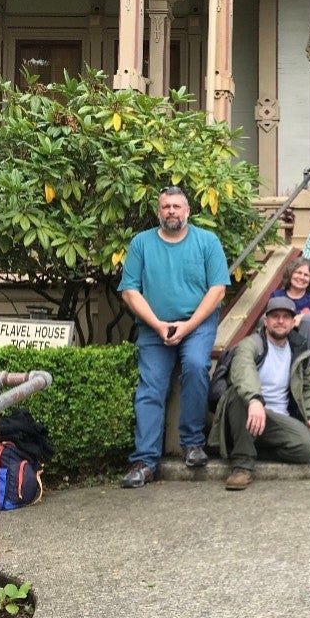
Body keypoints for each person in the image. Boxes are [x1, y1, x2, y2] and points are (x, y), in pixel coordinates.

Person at [118, 186, 230, 489]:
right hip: (154, 326)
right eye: (166, 207)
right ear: (159, 212)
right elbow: (130, 290)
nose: (171, 211)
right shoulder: (141, 243)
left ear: (188, 211)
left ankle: (193, 444)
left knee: (195, 366)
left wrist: (187, 326)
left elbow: (218, 289)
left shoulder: (207, 241)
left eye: (177, 207)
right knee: (151, 387)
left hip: (197, 324)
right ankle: (144, 461)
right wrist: (157, 325)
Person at [213, 297, 310, 491]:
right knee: (237, 395)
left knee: (306, 448)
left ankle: (251, 448)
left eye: (286, 317)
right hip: (246, 411)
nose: (280, 321)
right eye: (275, 316)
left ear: (293, 322)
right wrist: (255, 400)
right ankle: (242, 465)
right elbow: (243, 371)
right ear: (266, 320)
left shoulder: (299, 350)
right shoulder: (250, 344)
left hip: (276, 418)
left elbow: (309, 384)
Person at [270, 258, 310, 357]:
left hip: (309, 347)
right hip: (281, 343)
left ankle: (300, 364)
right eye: (298, 272)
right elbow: (270, 321)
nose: (302, 277)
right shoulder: (277, 295)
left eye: (306, 275)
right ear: (290, 274)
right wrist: (301, 317)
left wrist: (287, 320)